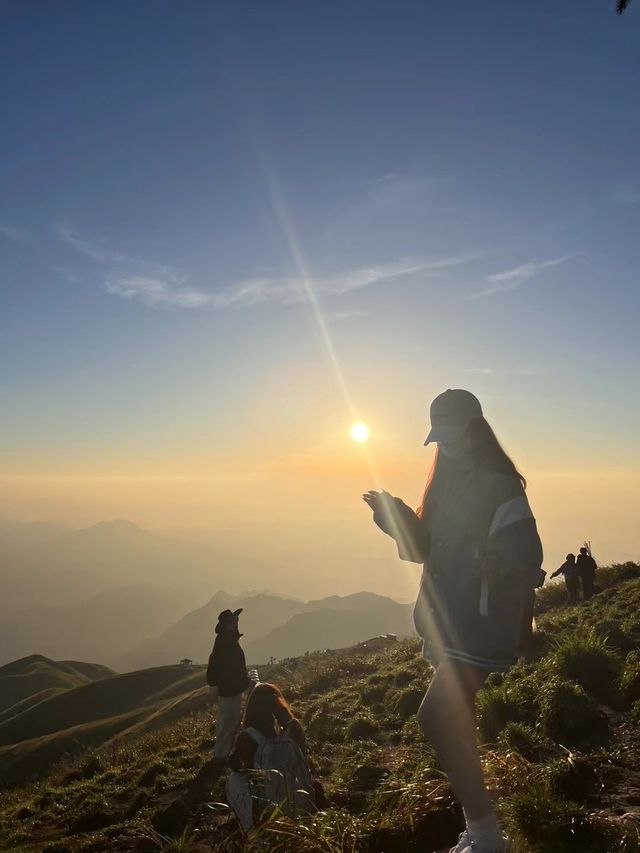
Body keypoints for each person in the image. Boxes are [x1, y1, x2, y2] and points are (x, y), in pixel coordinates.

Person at [363, 389, 543, 853]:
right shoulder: (442, 480)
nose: (446, 444)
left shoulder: (500, 483)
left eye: (453, 433)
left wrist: (500, 565)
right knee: (451, 723)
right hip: (453, 621)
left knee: (436, 719)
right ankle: (481, 831)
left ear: (474, 427)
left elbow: (528, 554)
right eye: (440, 437)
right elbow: (424, 549)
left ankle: (486, 837)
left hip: (482, 623)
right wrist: (396, 517)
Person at [226, 682, 318, 835]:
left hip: (269, 811)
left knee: (234, 780)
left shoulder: (249, 736)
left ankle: (252, 834)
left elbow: (234, 765)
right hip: (301, 804)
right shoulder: (294, 730)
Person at [207, 608, 251, 765]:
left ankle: (223, 752)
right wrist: (240, 681)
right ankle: (220, 756)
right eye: (232, 621)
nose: (236, 623)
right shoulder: (226, 642)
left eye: (236, 620)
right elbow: (223, 665)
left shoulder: (227, 639)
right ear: (226, 624)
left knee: (228, 720)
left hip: (232, 688)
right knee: (228, 721)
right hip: (230, 688)